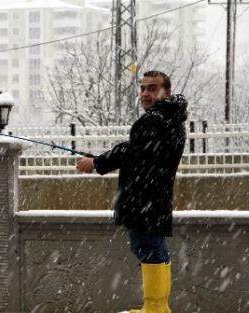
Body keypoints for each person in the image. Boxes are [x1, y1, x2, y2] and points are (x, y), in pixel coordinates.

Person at [76, 70, 188, 313]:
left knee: (149, 250)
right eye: (143, 88)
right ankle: (158, 306)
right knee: (155, 249)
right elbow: (139, 152)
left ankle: (155, 309)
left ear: (166, 92)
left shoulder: (155, 120)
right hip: (155, 199)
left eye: (152, 88)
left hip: (144, 200)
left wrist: (96, 163)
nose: (145, 93)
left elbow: (130, 151)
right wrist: (102, 160)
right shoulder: (172, 119)